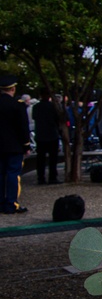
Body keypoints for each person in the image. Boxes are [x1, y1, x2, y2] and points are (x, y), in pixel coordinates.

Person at [0, 75, 31, 213]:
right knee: (13, 174)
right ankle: (11, 203)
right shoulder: (17, 105)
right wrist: (26, 145)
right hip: (14, 146)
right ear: (12, 89)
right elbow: (23, 128)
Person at [31, 93, 62, 184]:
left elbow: (34, 117)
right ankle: (52, 177)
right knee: (53, 158)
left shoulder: (36, 107)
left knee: (40, 158)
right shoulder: (53, 106)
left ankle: (41, 177)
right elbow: (58, 119)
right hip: (52, 134)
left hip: (40, 134)